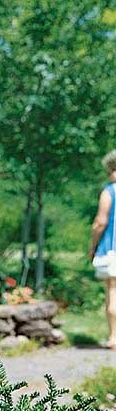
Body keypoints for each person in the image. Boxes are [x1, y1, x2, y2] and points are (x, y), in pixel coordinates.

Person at [89, 149, 116, 349]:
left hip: (112, 250)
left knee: (113, 292)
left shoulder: (109, 191)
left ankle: (114, 337)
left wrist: (93, 246)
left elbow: (100, 222)